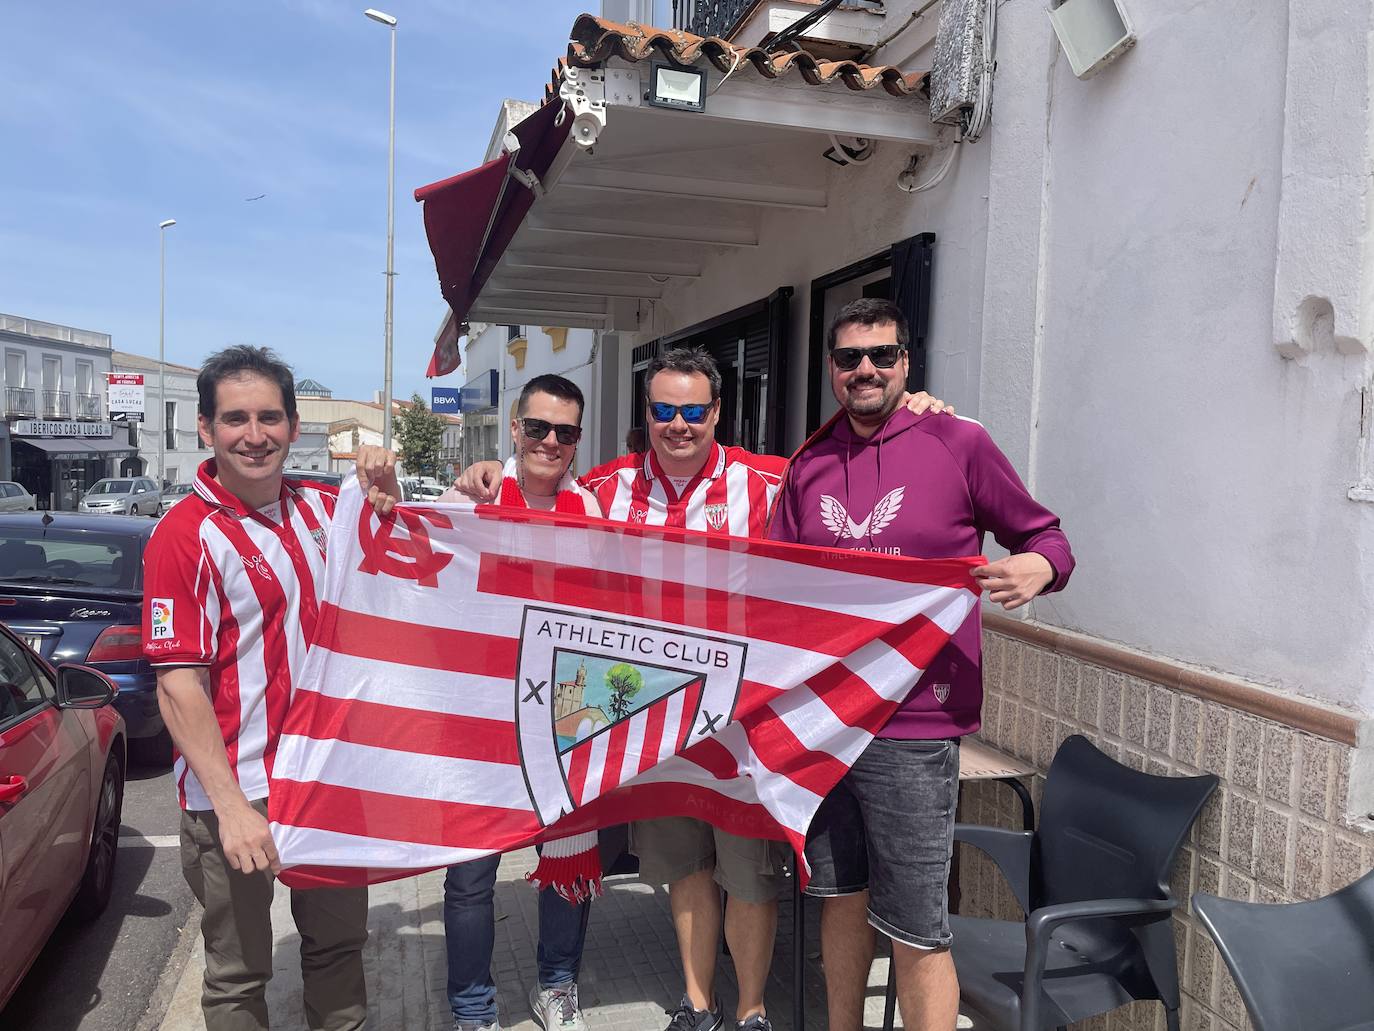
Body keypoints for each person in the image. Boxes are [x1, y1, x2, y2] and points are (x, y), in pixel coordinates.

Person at [452, 350, 955, 1031]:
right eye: (664, 410)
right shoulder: (608, 487)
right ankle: (697, 1004)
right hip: (658, 722)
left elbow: (857, 470)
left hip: (747, 721)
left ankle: (749, 1010)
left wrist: (912, 416)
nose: (679, 424)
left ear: (716, 411)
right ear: (647, 415)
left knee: (749, 872)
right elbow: (545, 492)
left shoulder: (770, 480)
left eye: (693, 411)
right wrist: (486, 474)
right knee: (684, 866)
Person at [768, 298, 1075, 1031]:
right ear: (833, 370)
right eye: (849, 357)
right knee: (838, 899)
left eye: (882, 354)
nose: (865, 368)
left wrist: (1038, 566)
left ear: (907, 362)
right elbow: (773, 584)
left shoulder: (958, 441)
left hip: (916, 723)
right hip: (826, 720)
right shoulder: (806, 464)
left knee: (915, 921)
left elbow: (1048, 535)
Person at [142, 345, 400, 1031]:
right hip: (239, 788)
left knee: (340, 950)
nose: (253, 435)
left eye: (269, 417)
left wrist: (389, 474)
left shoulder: (322, 508)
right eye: (235, 419)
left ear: (292, 426)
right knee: (237, 978)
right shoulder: (183, 536)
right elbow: (177, 687)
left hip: (327, 776)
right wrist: (230, 808)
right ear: (205, 428)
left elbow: (407, 533)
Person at [434, 374, 598, 1031]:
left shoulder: (593, 512)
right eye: (538, 427)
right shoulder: (472, 498)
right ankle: (473, 1006)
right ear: (514, 428)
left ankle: (557, 985)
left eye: (565, 431)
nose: (550, 441)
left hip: (563, 719)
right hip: (479, 722)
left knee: (567, 864)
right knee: (470, 877)